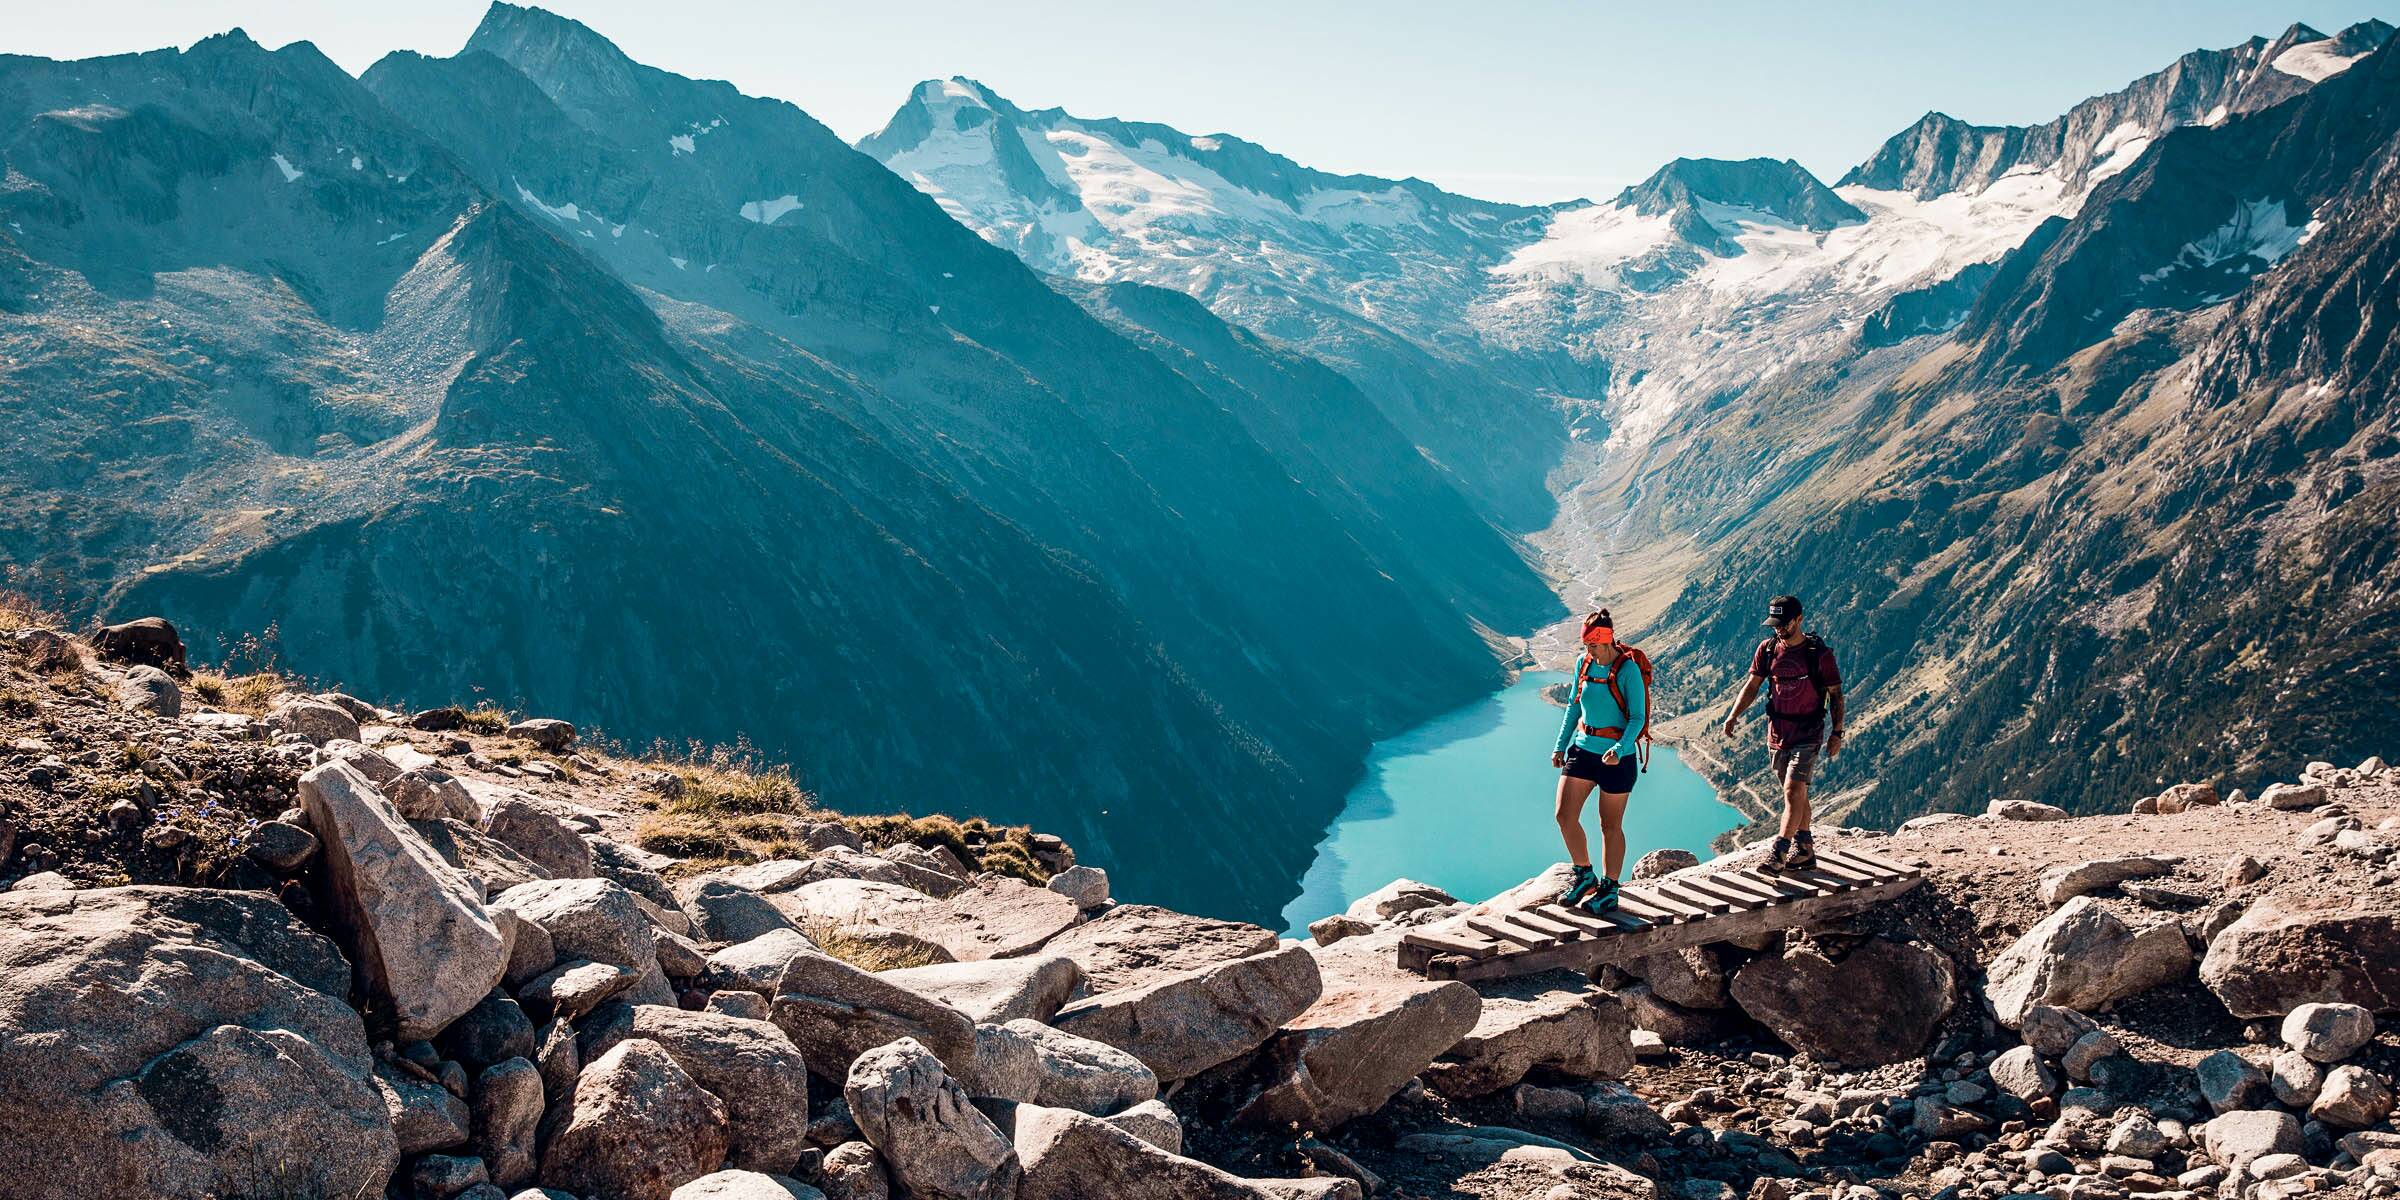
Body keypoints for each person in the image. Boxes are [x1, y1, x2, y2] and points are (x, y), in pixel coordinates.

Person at [1720, 594, 1843, 872]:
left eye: (1784, 623)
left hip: (1808, 732)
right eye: (1774, 623)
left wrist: (1837, 732)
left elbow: (1836, 696)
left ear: (1799, 620)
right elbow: (1752, 686)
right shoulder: (1767, 649)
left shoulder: (1819, 656)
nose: (1778, 628)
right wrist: (1733, 715)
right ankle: (1806, 850)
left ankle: (1778, 853)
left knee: (1793, 790)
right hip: (1777, 734)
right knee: (1796, 797)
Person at [1552, 610, 1647, 913]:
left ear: (1606, 642)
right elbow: (1573, 708)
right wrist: (1559, 746)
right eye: (1586, 646)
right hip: (1583, 750)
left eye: (1593, 646)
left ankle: (1609, 889)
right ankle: (1584, 875)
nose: (1588, 652)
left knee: (1610, 825)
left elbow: (1637, 718)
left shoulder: (1628, 670)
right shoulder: (1583, 664)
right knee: (1564, 815)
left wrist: (1620, 748)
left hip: (1617, 759)